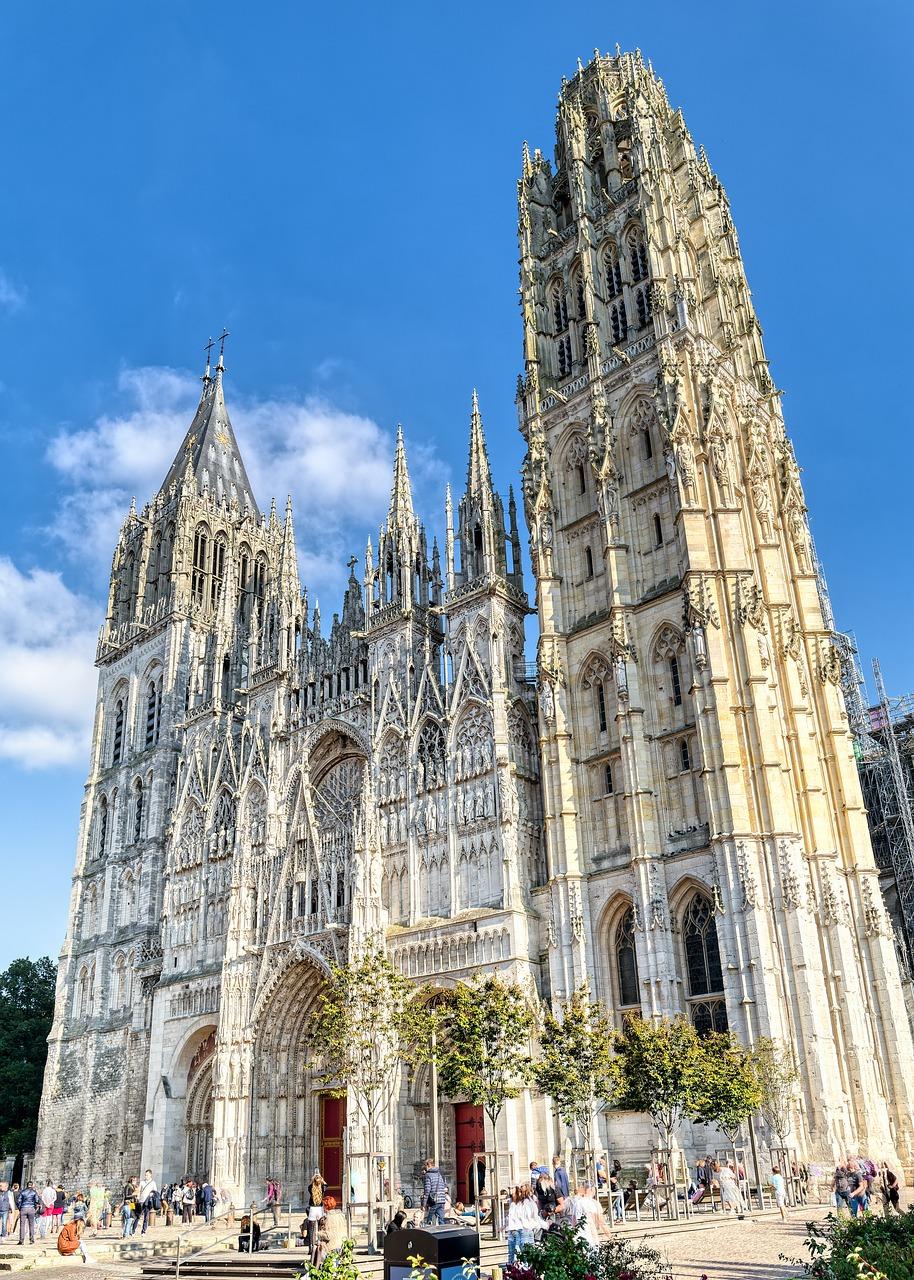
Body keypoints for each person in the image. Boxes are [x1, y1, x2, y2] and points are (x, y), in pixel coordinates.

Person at [506, 1184, 545, 1264]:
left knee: (521, 1255)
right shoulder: (519, 1203)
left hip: (523, 1230)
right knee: (523, 1255)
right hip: (522, 1229)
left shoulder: (525, 1203)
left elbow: (527, 1216)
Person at [311, 1195, 347, 1268]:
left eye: (323, 1205)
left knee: (317, 1250)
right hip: (342, 1245)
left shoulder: (327, 1218)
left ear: (325, 1206)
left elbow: (328, 1236)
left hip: (332, 1248)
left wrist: (317, 1233)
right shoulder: (341, 1216)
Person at [422, 1159, 447, 1226]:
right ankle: (443, 1233)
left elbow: (427, 1190)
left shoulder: (428, 1175)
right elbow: (444, 1186)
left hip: (434, 1200)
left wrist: (423, 1204)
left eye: (425, 1166)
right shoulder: (439, 1174)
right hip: (442, 1200)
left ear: (428, 1165)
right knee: (441, 1220)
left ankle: (427, 1233)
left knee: (428, 1220)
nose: (425, 1168)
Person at [138, 1171, 158, 1235]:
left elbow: (155, 1191)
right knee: (137, 1215)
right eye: (145, 1175)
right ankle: (133, 1230)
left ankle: (143, 1231)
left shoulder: (153, 1183)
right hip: (141, 1201)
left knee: (146, 1217)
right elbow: (139, 1191)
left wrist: (151, 1195)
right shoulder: (142, 1182)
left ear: (150, 1175)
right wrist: (138, 1197)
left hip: (148, 1202)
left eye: (147, 1175)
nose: (146, 1176)